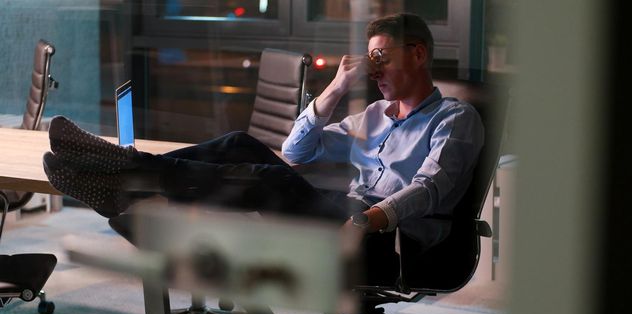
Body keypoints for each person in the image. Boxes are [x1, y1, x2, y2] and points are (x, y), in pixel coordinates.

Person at [43, 13, 484, 286]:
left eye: (381, 57)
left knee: (268, 178)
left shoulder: (455, 119)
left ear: (419, 54)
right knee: (239, 143)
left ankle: (127, 177)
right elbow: (297, 151)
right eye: (370, 59)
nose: (374, 70)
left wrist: (367, 220)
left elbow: (429, 188)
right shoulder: (372, 115)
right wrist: (334, 89)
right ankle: (129, 175)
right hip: (340, 210)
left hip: (384, 239)